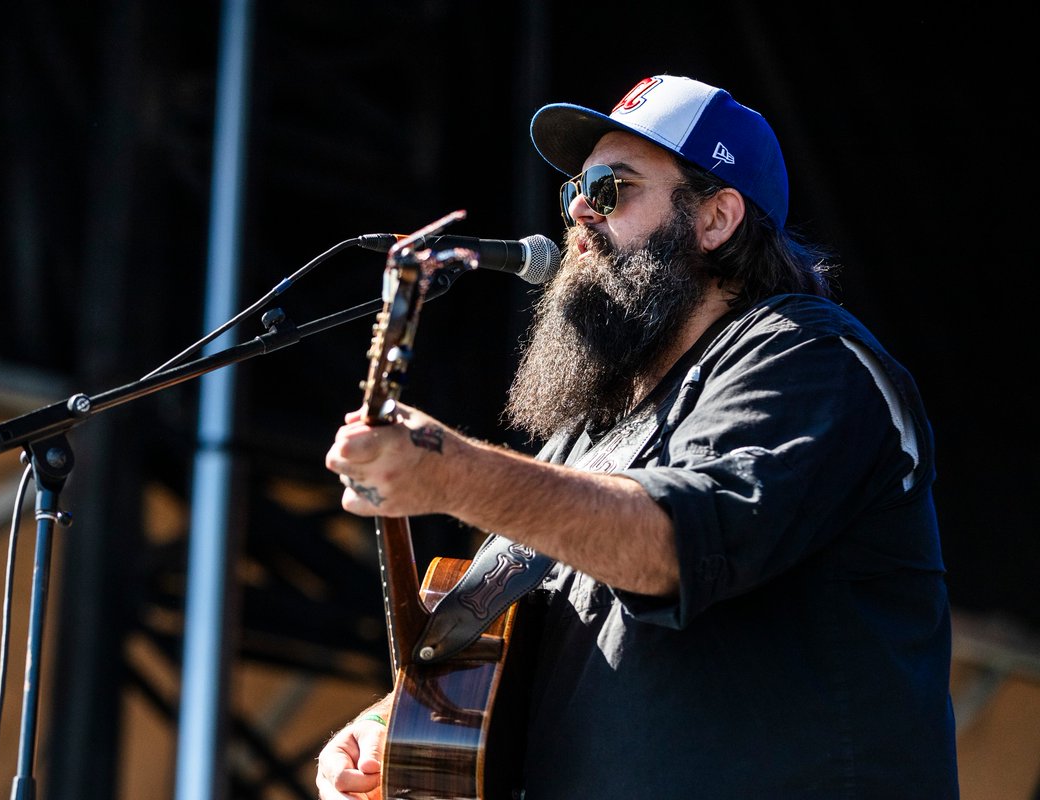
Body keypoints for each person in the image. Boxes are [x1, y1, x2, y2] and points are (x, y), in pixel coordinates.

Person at [317, 74, 958, 799]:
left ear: (715, 219)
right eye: (574, 193)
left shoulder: (809, 360)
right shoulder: (590, 433)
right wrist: (385, 728)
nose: (580, 211)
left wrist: (454, 475)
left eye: (613, 189)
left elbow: (675, 545)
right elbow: (493, 650)